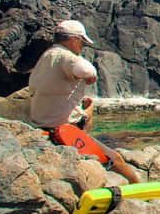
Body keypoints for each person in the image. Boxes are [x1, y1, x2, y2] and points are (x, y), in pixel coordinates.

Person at [29, 20, 141, 183]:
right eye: (82, 42)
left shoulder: (46, 56)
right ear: (74, 39)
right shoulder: (65, 56)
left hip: (41, 124)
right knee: (115, 158)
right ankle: (139, 190)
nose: (82, 46)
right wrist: (91, 77)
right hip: (63, 130)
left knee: (86, 108)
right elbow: (87, 70)